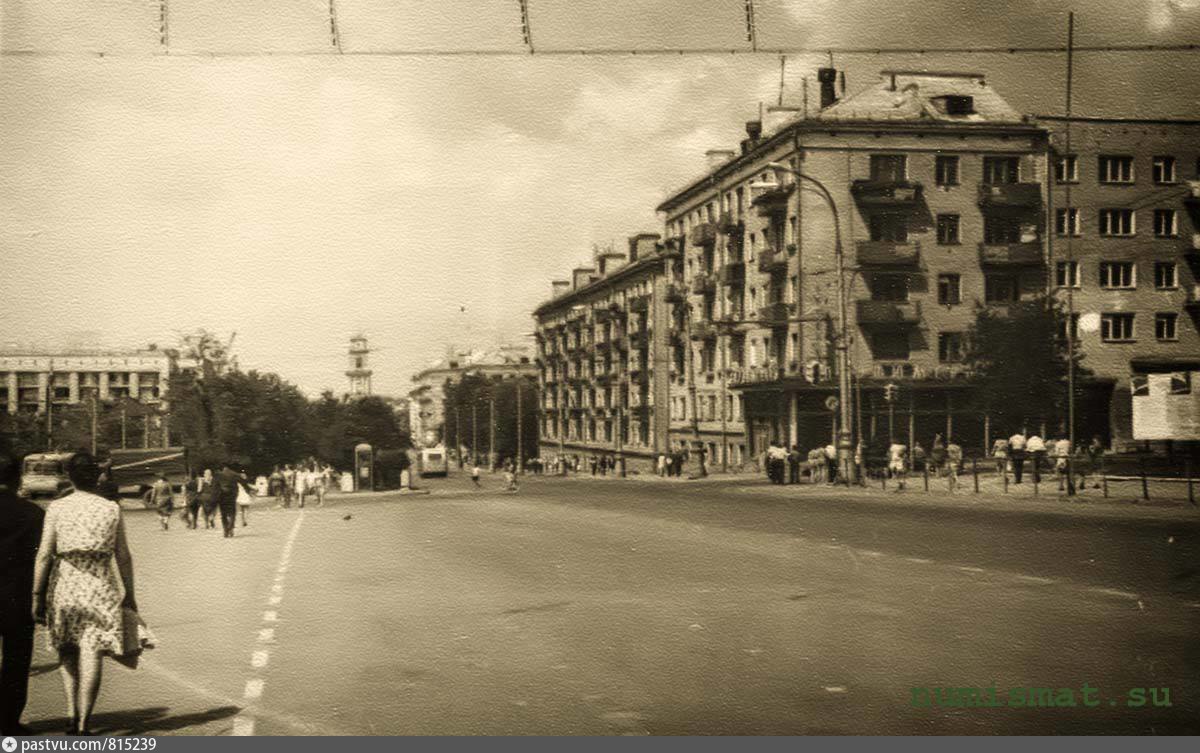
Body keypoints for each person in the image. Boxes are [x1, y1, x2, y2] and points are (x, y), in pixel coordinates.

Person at [32, 459, 148, 736]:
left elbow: (45, 554)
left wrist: (36, 594)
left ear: (69, 476)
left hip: (66, 583)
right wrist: (129, 594)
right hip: (101, 585)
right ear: (98, 478)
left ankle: (71, 713)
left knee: (67, 650)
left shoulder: (57, 507)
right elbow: (123, 556)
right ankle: (84, 721)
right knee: (92, 651)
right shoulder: (111, 508)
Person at [1, 451, 45, 736]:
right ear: (18, 478)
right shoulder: (33, 514)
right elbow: (43, 558)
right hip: (18, 599)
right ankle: (7, 721)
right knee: (17, 662)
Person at [216, 463, 245, 538]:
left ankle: (225, 530)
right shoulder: (235, 474)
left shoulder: (219, 475)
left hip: (222, 496)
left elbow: (215, 486)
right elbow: (244, 483)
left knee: (223, 514)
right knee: (232, 512)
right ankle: (231, 527)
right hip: (232, 496)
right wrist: (249, 490)